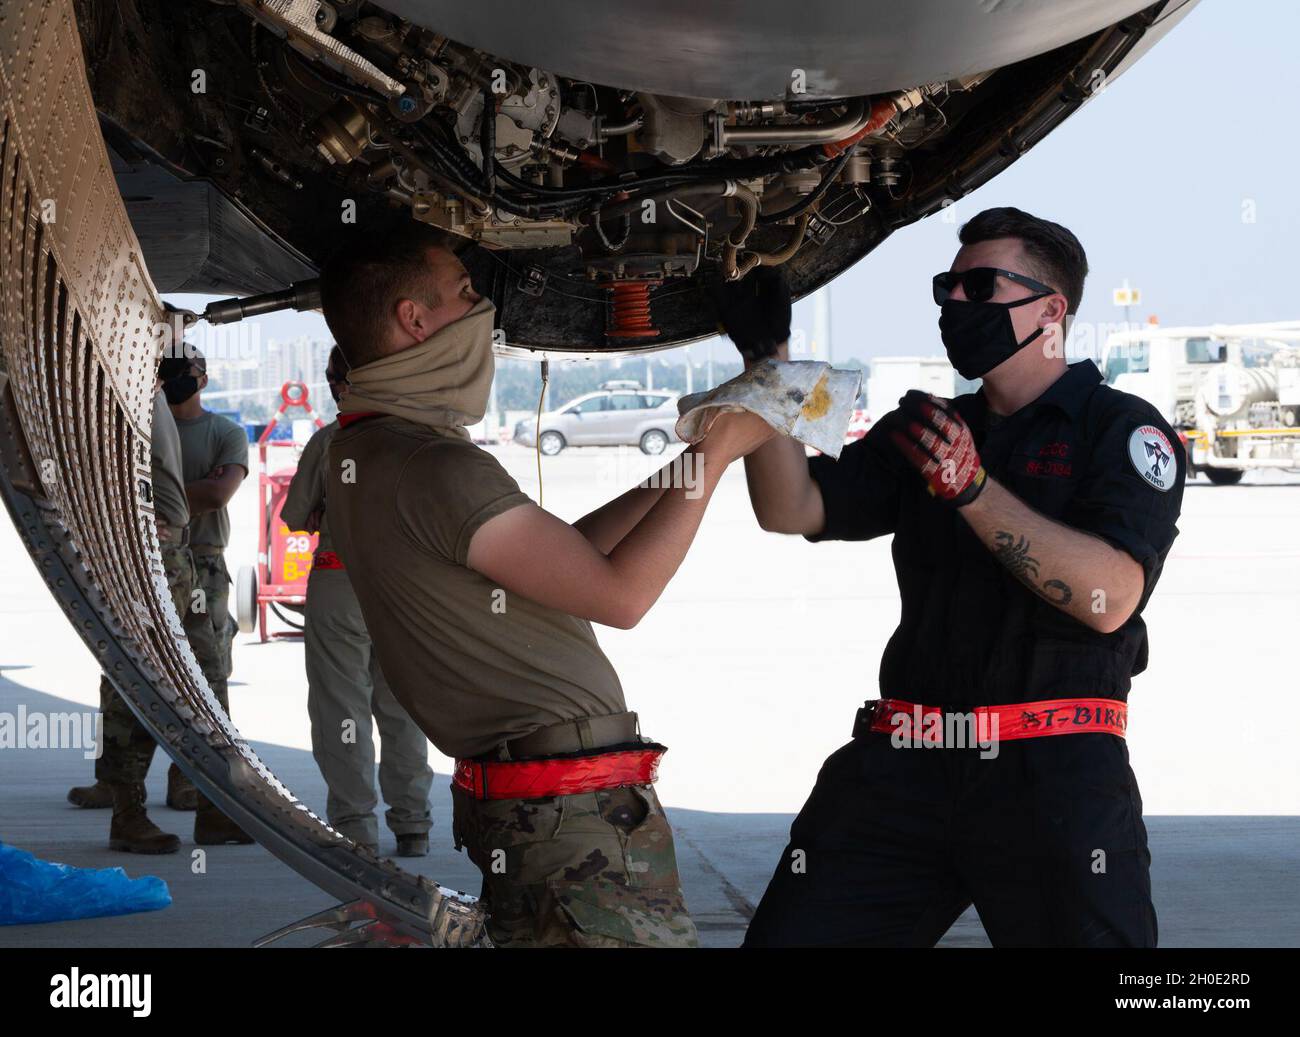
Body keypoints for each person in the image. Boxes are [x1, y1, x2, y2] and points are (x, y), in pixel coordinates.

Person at [720, 208, 1184, 948]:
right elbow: (791, 505)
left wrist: (972, 490)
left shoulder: (1122, 429)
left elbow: (1110, 597)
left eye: (978, 285)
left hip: (1053, 779)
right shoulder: (925, 428)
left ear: (1051, 310)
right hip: (900, 769)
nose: (953, 304)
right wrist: (764, 364)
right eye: (946, 287)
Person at [319, 223, 773, 947]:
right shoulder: (433, 466)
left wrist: (685, 466)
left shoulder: (368, 449)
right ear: (415, 319)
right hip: (572, 820)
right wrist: (719, 457)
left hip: (542, 813)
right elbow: (621, 596)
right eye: (467, 294)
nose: (483, 312)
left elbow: (566, 556)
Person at [281, 347, 435, 857]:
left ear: (338, 382)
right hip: (407, 592)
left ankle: (356, 828)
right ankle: (413, 824)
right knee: (404, 709)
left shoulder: (330, 440)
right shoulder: (423, 438)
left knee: (340, 709)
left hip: (340, 583)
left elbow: (296, 517)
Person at [66, 358, 219, 852]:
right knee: (140, 677)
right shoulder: (117, 399)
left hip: (169, 551)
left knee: (176, 675)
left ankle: (194, 801)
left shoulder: (145, 398)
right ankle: (127, 810)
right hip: (147, 551)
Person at [163, 350, 255, 846]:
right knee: (145, 670)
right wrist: (190, 491)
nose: (178, 378)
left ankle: (197, 787)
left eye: (186, 369)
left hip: (204, 560)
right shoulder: (148, 424)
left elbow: (219, 495)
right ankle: (120, 788)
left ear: (202, 377)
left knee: (208, 674)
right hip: (156, 556)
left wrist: (162, 493)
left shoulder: (225, 432)